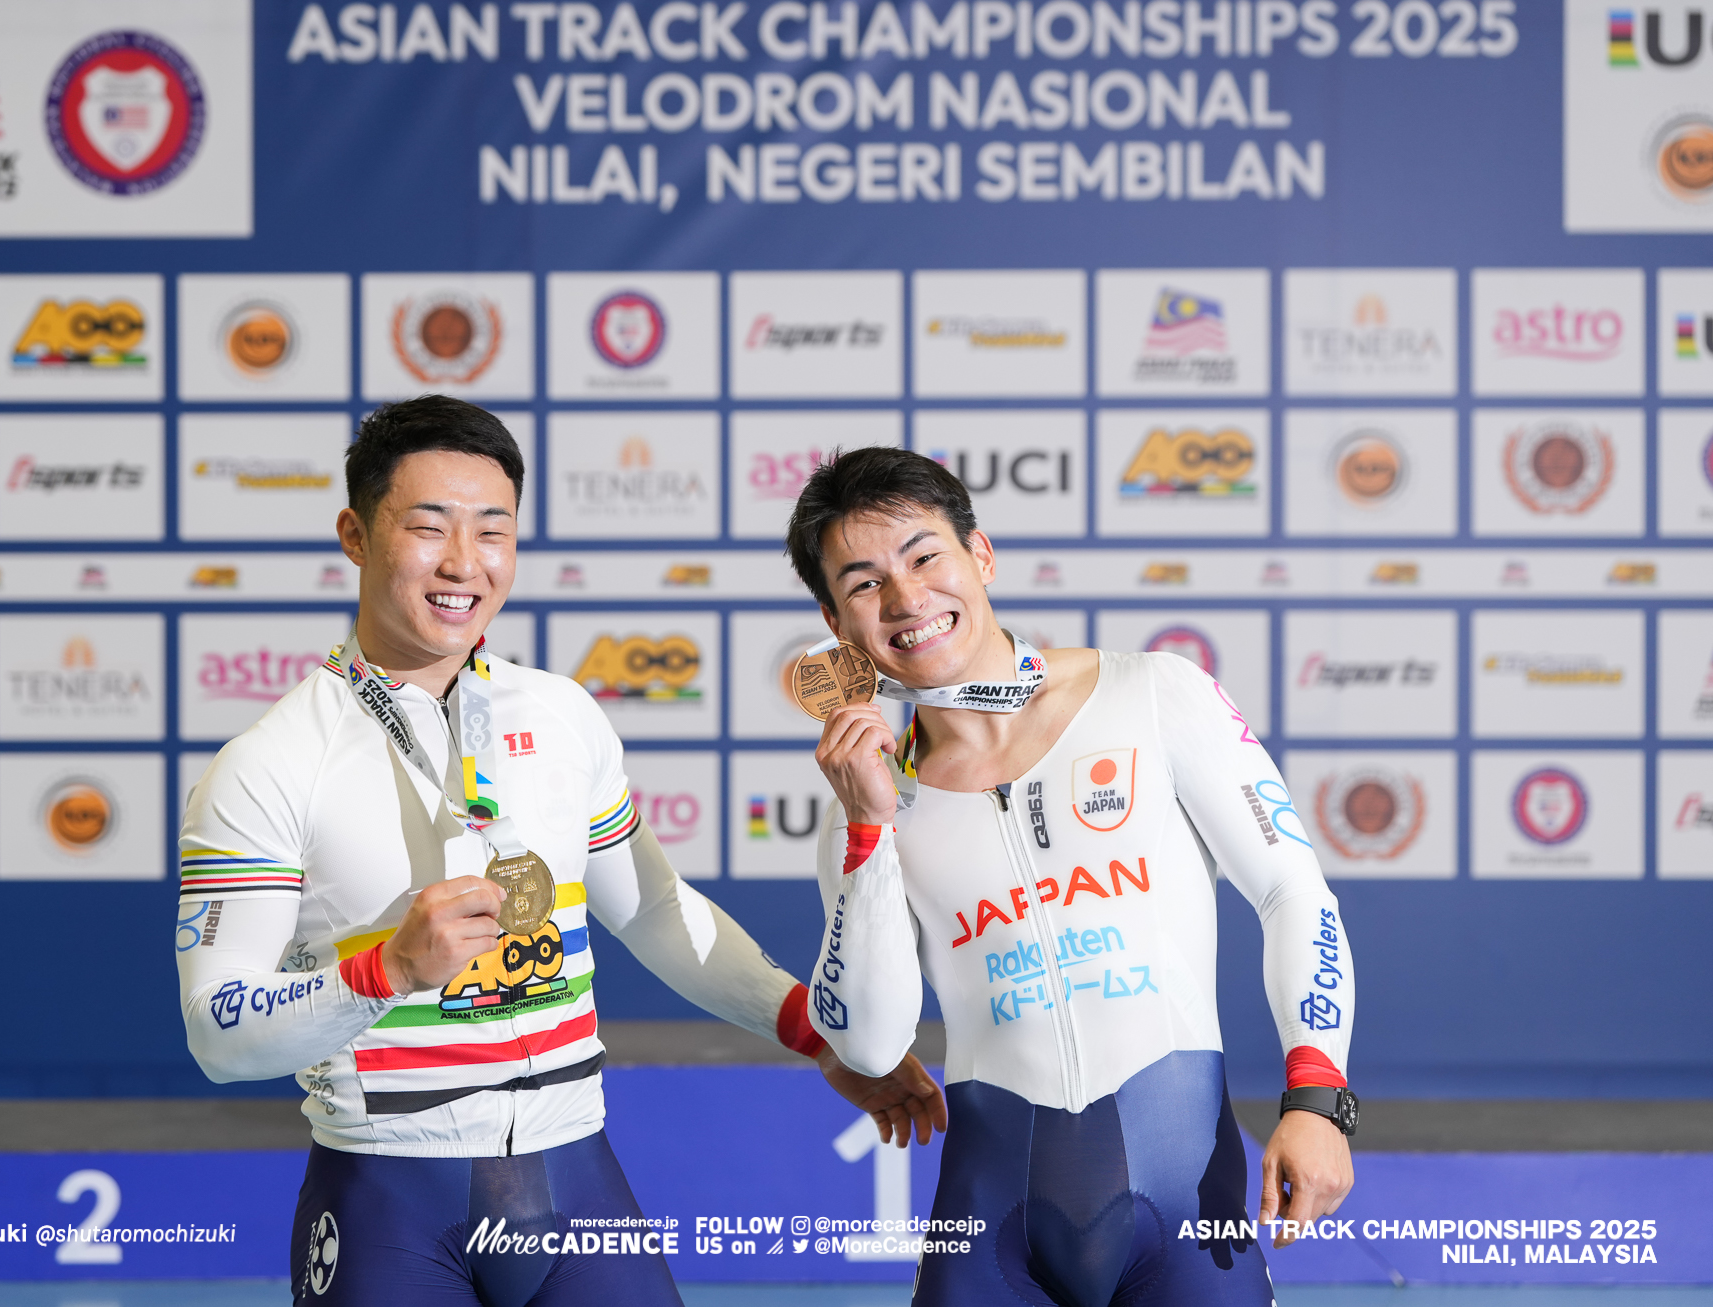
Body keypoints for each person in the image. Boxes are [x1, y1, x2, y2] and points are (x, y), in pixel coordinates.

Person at [174, 398, 945, 1307]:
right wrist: (382, 970)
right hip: (389, 1194)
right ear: (354, 532)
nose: (464, 562)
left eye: (492, 530)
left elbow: (654, 911)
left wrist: (813, 1033)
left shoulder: (561, 714)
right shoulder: (269, 763)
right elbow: (219, 1032)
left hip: (575, 1176)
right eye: (429, 526)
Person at [788, 447, 1356, 1307]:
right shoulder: (864, 801)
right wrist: (870, 824)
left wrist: (1318, 1098)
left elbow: (1293, 891)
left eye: (924, 555)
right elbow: (868, 1043)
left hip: (1186, 1210)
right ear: (836, 621)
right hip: (991, 1233)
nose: (906, 599)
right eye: (863, 583)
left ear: (980, 555)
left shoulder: (1153, 693)